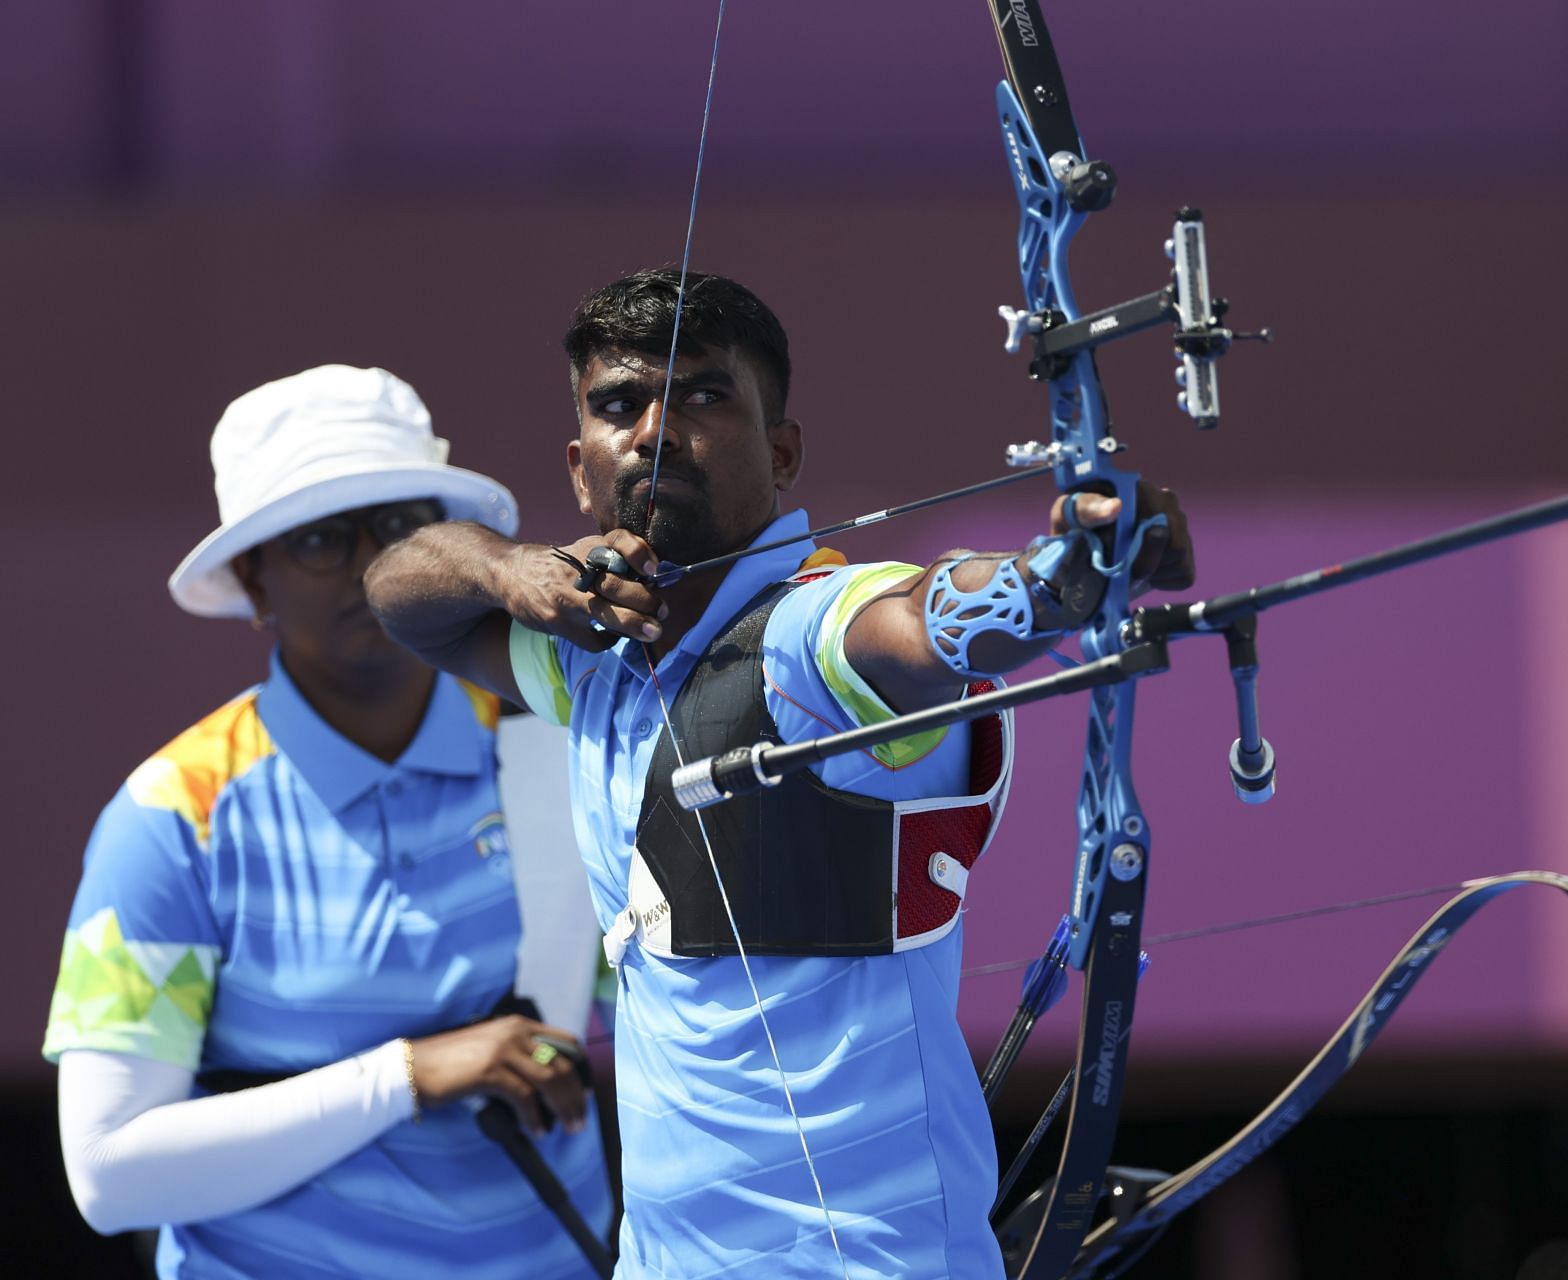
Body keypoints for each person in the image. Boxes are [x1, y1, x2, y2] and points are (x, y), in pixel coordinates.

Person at [365, 270, 1192, 1278]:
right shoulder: (589, 658)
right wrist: (511, 569)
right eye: (621, 405)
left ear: (783, 450)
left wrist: (1065, 575)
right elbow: (400, 588)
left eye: (705, 396)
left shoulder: (818, 631)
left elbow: (928, 615)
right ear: (581, 468)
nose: (657, 431)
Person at [44, 366, 614, 1279]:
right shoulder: (171, 815)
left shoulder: (563, 744)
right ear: (253, 581)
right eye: (317, 539)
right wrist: (407, 1075)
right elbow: (108, 1174)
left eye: (400, 527)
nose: (369, 567)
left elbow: (658, 1017)